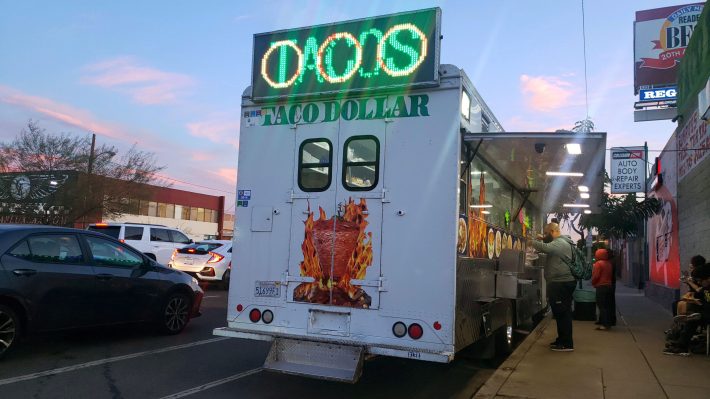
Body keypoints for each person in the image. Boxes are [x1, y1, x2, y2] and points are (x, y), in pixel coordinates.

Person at [528, 222, 577, 351]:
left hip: (561, 283)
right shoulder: (563, 242)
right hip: (562, 282)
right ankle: (562, 339)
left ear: (552, 231)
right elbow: (548, 245)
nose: (545, 236)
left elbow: (546, 248)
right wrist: (543, 238)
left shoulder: (560, 243)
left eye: (546, 233)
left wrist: (531, 241)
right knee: (561, 312)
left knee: (562, 313)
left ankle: (566, 343)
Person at [664, 264, 710, 355]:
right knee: (691, 313)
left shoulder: (707, 288)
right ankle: (680, 339)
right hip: (705, 310)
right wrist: (694, 300)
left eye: (700, 281)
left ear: (708, 278)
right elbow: (700, 294)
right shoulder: (706, 288)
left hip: (707, 313)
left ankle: (682, 344)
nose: (699, 283)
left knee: (693, 318)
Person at [592, 248, 614, 330]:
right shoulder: (609, 263)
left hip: (601, 286)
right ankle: (608, 322)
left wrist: (593, 282)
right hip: (609, 286)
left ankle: (604, 325)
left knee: (601, 306)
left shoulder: (598, 264)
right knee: (607, 306)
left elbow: (596, 276)